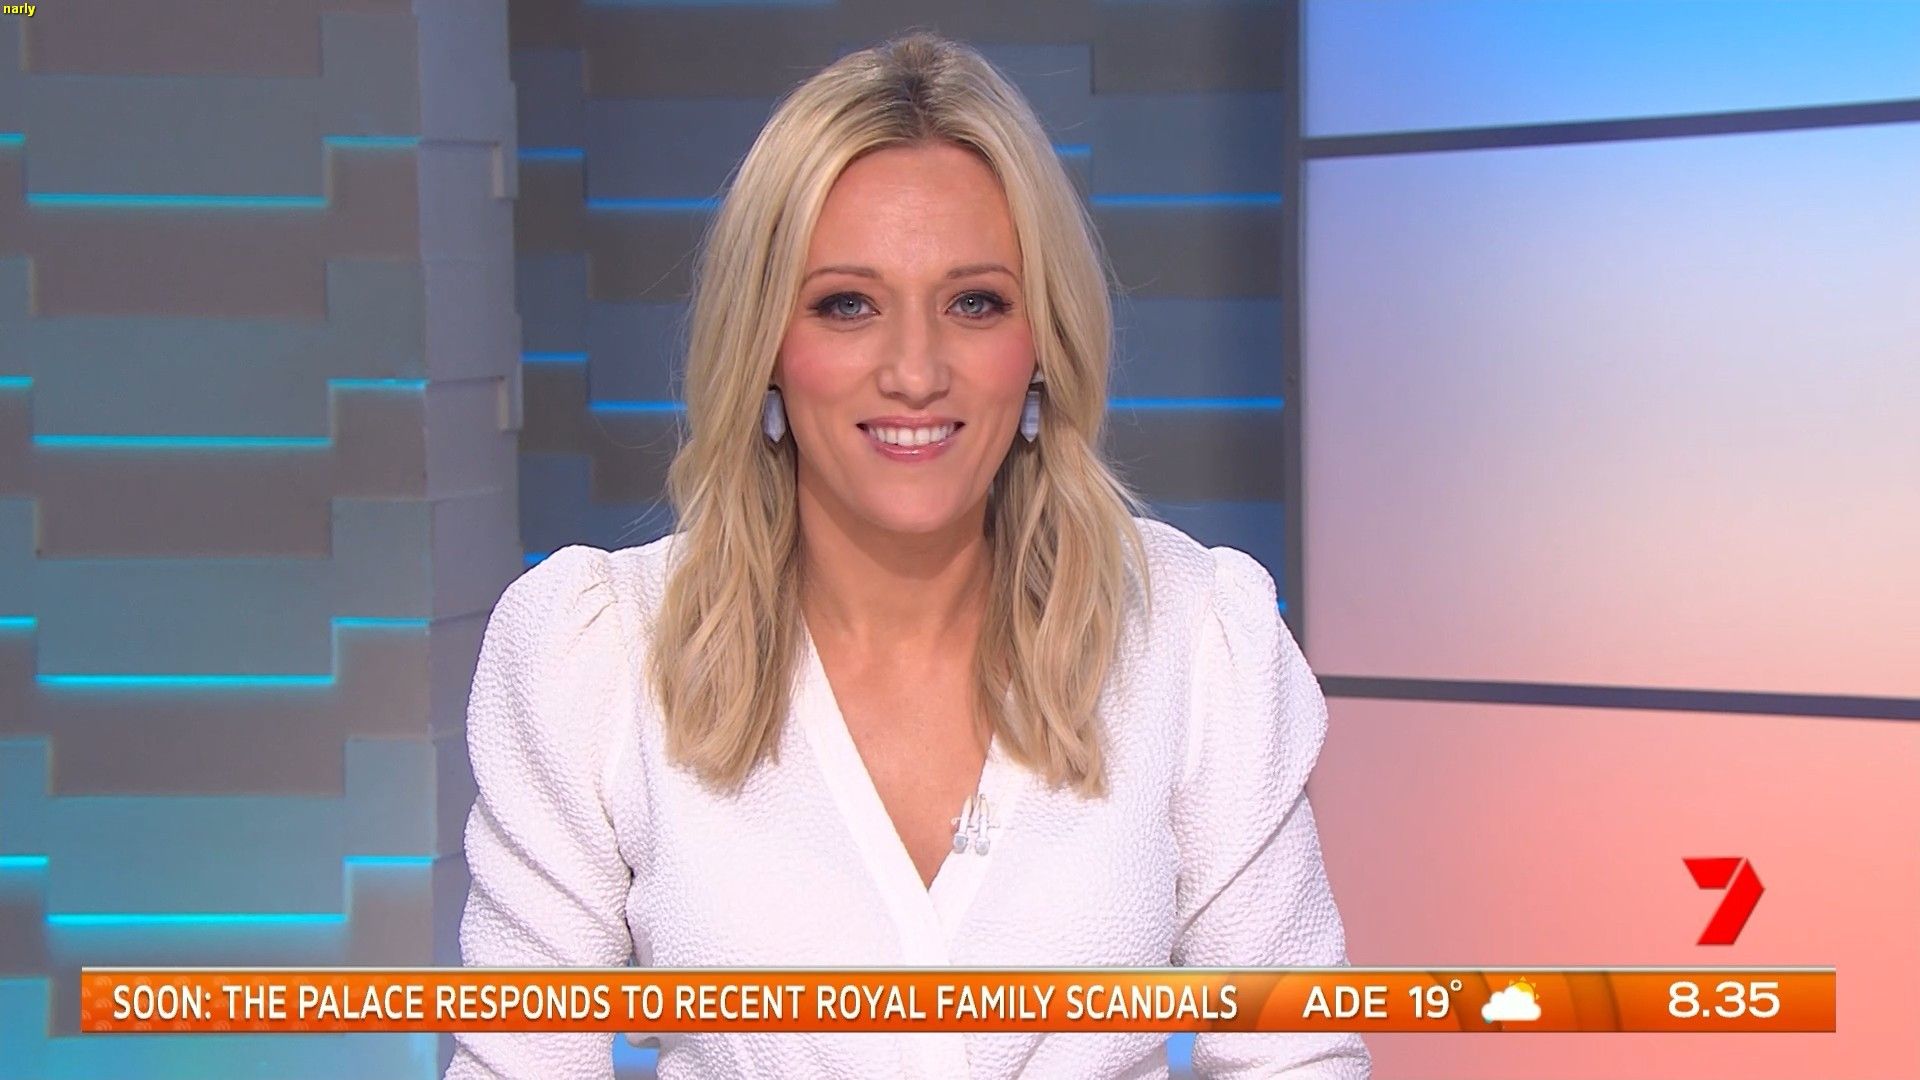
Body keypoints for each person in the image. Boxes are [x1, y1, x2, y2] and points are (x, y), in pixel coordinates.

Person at [446, 29, 1369, 1080]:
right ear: (766, 347)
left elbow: (1298, 1054)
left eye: (975, 303)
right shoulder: (599, 658)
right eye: (848, 305)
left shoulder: (1194, 641)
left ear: (1039, 346)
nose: (916, 371)